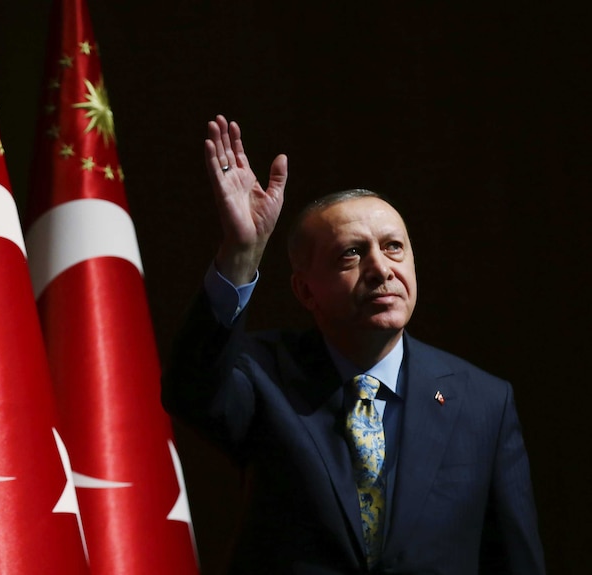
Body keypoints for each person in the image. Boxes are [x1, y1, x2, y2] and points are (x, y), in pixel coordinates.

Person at [161, 115, 545, 574]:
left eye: (394, 247)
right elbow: (189, 389)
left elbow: (516, 558)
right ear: (305, 291)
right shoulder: (263, 374)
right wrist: (242, 253)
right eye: (352, 253)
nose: (381, 268)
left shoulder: (484, 401)